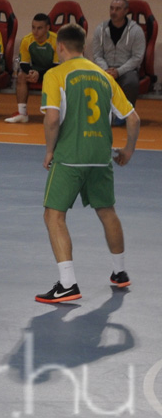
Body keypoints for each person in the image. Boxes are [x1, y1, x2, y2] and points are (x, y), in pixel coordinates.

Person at [35, 23, 140, 304]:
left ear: (60, 46)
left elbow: (52, 119)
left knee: (53, 215)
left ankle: (67, 284)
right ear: (84, 47)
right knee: (107, 211)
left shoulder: (56, 74)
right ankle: (119, 272)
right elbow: (133, 118)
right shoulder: (104, 77)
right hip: (101, 157)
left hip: (70, 157)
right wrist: (128, 150)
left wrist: (49, 151)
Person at [90, 0, 146, 126]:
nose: (113, 12)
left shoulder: (136, 31)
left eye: (118, 9)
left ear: (126, 11)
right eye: (111, 8)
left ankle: (125, 114)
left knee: (131, 82)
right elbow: (97, 54)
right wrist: (106, 70)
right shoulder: (100, 29)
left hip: (126, 69)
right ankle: (100, 113)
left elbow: (137, 57)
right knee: (92, 79)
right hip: (105, 68)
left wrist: (119, 71)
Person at [5, 13, 58, 124]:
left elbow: (56, 66)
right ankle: (22, 114)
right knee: (21, 76)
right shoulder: (26, 40)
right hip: (34, 72)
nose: (35, 31)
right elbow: (24, 63)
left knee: (54, 78)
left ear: (47, 28)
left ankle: (54, 114)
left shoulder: (56, 41)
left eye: (39, 28)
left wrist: (39, 74)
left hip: (52, 71)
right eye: (33, 27)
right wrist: (32, 72)